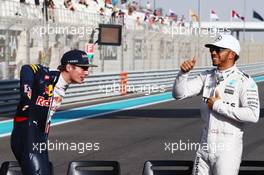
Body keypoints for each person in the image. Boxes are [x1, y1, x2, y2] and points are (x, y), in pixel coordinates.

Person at [172, 34, 260, 175]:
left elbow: (253, 114)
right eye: (212, 49)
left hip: (228, 150)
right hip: (204, 147)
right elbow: (179, 94)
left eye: (218, 49)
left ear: (231, 54)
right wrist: (183, 74)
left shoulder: (244, 81)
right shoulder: (206, 76)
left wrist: (218, 105)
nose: (213, 52)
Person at [11, 49, 97, 175]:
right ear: (69, 67)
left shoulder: (64, 84)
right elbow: (26, 69)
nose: (86, 72)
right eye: (83, 68)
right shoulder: (49, 75)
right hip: (26, 133)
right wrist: (26, 92)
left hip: (39, 136)